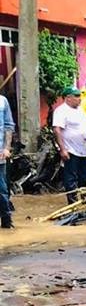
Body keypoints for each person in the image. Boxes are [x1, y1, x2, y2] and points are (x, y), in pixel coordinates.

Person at [53, 87, 86, 204]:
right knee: (71, 178)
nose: (79, 99)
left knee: (84, 177)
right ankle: (73, 205)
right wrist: (63, 149)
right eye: (76, 96)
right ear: (68, 98)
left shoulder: (81, 110)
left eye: (79, 96)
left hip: (84, 150)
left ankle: (85, 202)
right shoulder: (61, 111)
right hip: (71, 150)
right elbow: (57, 129)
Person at [0, 90, 15, 228]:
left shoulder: (2, 101)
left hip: (0, 154)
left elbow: (9, 126)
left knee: (2, 189)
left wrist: (6, 147)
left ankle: (6, 220)